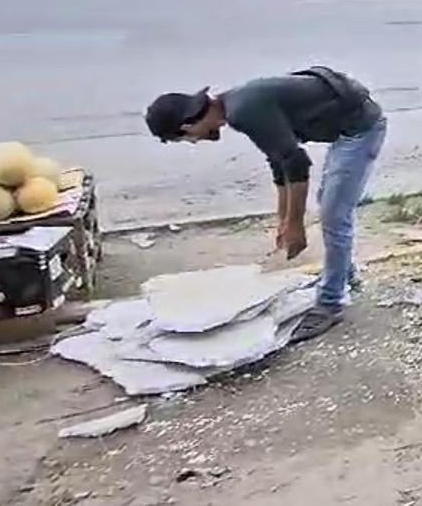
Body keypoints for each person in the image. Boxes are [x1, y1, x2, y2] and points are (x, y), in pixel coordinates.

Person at [144, 68, 386, 342]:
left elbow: (296, 163)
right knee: (330, 205)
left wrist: (296, 226)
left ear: (187, 126)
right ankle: (343, 276)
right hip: (345, 129)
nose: (195, 142)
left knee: (334, 213)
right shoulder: (235, 106)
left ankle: (330, 303)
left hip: (360, 129)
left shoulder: (242, 110)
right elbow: (279, 161)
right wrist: (283, 220)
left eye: (187, 139)